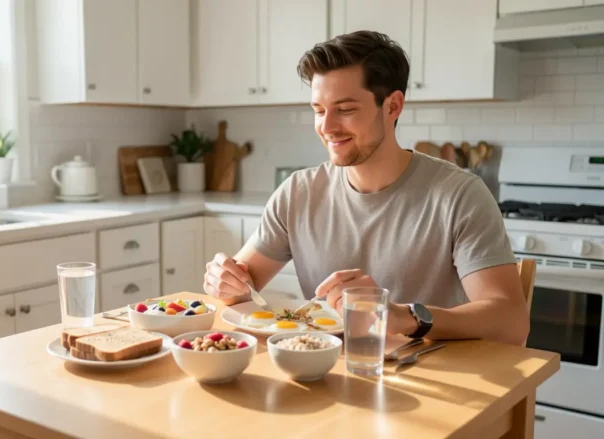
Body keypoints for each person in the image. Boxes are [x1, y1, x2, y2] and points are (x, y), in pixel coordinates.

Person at [202, 30, 529, 346]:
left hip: (432, 378)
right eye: (318, 111)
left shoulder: (460, 196)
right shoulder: (298, 192)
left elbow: (511, 323)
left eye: (345, 110)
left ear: (392, 107)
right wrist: (226, 282)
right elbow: (240, 288)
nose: (327, 127)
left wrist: (405, 317)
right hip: (324, 372)